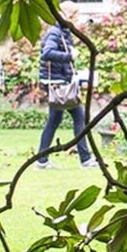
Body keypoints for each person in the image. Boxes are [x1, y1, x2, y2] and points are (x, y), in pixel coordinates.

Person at [35, 22, 94, 169]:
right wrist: (69, 56)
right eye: (75, 16)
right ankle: (85, 159)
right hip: (60, 85)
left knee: (54, 120)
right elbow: (47, 52)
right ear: (69, 16)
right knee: (79, 118)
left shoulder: (62, 32)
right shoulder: (55, 33)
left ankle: (42, 159)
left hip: (60, 82)